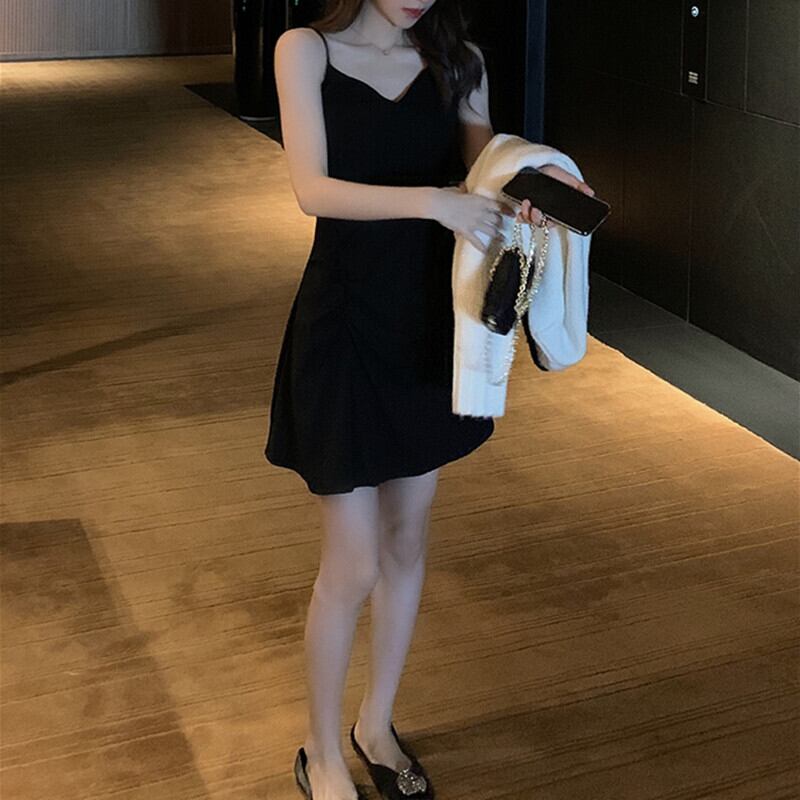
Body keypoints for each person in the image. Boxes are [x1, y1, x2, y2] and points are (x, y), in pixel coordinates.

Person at [264, 2, 595, 798]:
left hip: (426, 323)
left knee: (407, 541)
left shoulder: (461, 62)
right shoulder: (304, 50)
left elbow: (487, 172)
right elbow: (312, 190)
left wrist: (539, 182)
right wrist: (434, 202)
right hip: (345, 320)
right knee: (351, 563)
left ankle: (375, 725)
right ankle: (320, 750)